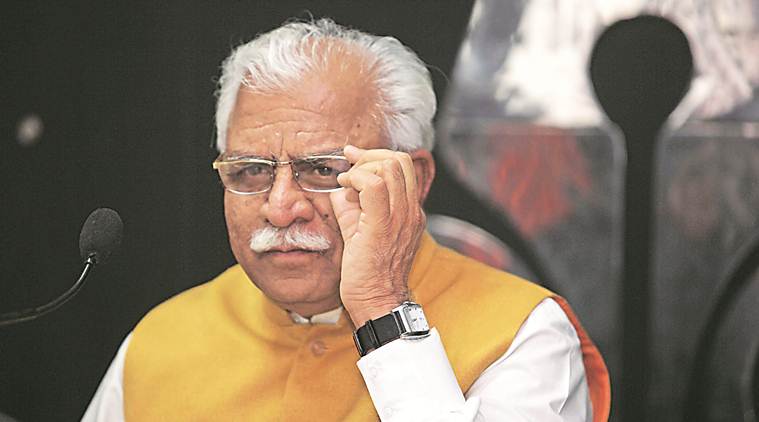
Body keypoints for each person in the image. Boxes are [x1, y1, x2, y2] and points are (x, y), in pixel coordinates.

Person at [83, 18, 610, 421]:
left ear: (415, 179)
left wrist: (383, 309)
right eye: (251, 170)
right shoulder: (160, 340)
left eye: (322, 170)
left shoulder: (522, 332)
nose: (280, 207)